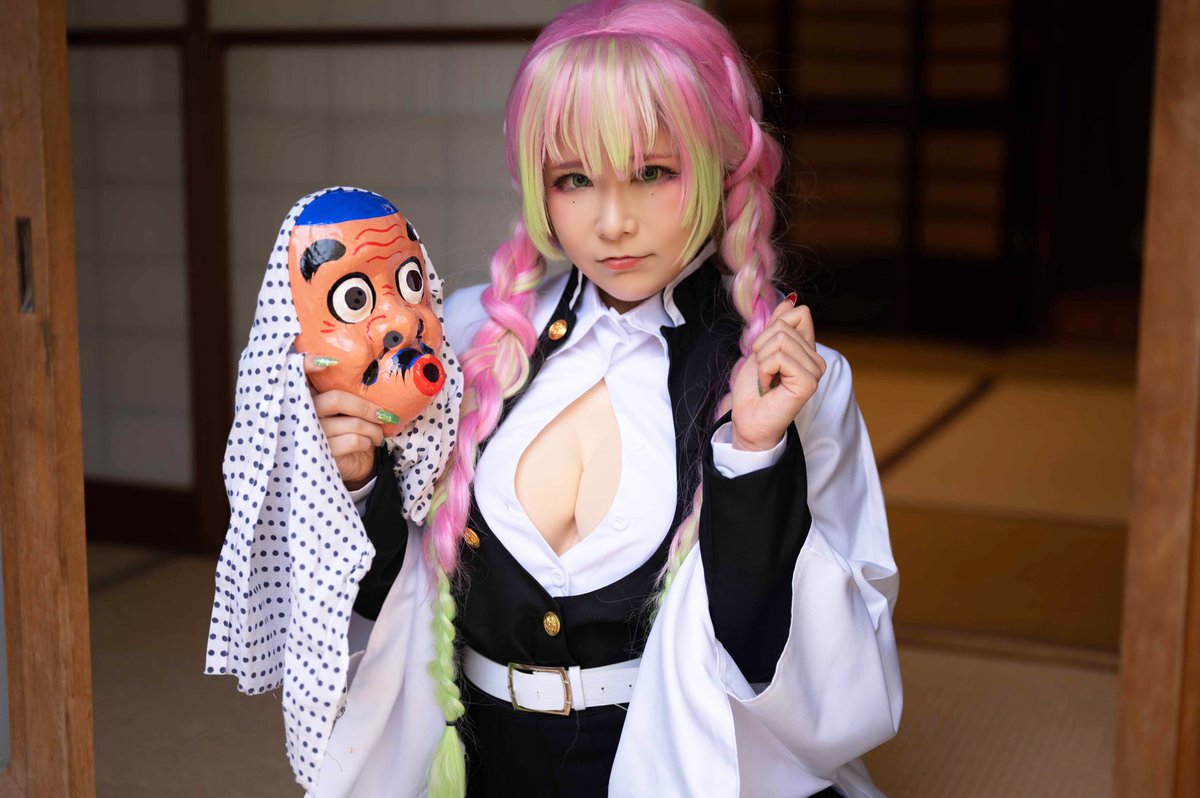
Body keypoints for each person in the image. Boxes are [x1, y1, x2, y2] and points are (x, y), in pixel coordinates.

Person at [309, 1, 901, 796]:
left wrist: (753, 457)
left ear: (722, 163)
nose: (613, 222)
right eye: (574, 179)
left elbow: (812, 667)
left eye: (653, 173)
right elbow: (393, 608)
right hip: (481, 771)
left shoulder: (792, 381)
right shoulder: (468, 336)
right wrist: (359, 484)